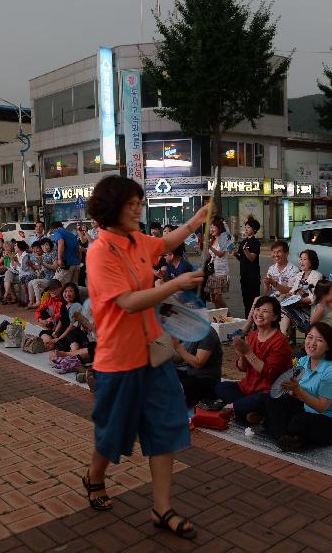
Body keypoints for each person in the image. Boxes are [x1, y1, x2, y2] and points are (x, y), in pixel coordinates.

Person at [84, 175, 210, 539]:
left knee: (167, 425)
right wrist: (173, 285)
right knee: (113, 432)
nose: (139, 207)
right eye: (131, 203)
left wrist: (196, 220)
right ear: (112, 208)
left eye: (140, 201)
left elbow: (166, 242)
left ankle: (161, 508)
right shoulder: (100, 251)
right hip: (118, 360)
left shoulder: (138, 240)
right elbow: (126, 302)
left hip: (154, 353)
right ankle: (94, 476)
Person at [264, 322, 332, 452]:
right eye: (310, 337)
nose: (312, 343)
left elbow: (321, 407)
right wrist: (290, 389)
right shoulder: (304, 361)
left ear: (328, 346)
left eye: (319, 340)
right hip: (308, 411)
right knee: (271, 399)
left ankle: (283, 433)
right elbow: (294, 390)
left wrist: (297, 390)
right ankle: (284, 439)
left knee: (297, 422)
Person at [216, 295, 292, 424]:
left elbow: (270, 373)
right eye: (257, 310)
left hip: (268, 391)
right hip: (249, 388)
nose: (259, 314)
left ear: (274, 317)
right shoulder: (251, 336)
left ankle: (241, 409)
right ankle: (249, 411)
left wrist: (248, 352)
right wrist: (242, 354)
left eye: (265, 311)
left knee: (261, 399)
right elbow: (242, 368)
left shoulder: (280, 341)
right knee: (221, 387)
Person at [172, 327, 223, 407]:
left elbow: (198, 363)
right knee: (163, 377)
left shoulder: (207, 333)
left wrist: (177, 347)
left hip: (206, 380)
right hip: (190, 374)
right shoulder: (189, 331)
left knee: (173, 389)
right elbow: (180, 358)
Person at [279, 249, 323, 335]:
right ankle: (283, 334)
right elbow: (293, 291)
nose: (301, 261)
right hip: (296, 306)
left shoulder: (317, 276)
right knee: (277, 305)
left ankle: (283, 335)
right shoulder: (299, 275)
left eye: (305, 259)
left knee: (282, 308)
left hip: (308, 310)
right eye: (300, 259)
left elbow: (313, 298)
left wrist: (298, 301)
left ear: (312, 261)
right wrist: (286, 295)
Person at [235, 216, 261, 318]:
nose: (246, 229)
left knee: (254, 301)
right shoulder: (243, 242)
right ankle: (247, 321)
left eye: (248, 227)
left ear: (254, 229)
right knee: (246, 301)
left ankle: (256, 324)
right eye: (245, 227)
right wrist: (235, 255)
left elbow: (251, 259)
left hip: (253, 277)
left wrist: (246, 251)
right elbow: (243, 259)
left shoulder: (256, 242)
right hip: (244, 276)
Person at [204, 218, 231, 308]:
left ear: (219, 227)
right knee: (213, 298)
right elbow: (208, 256)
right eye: (210, 227)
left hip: (221, 272)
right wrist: (200, 247)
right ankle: (220, 316)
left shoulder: (224, 239)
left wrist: (210, 247)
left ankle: (227, 316)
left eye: (213, 227)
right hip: (212, 272)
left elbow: (220, 254)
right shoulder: (212, 240)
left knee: (218, 298)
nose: (211, 229)